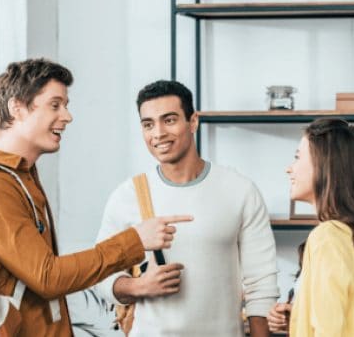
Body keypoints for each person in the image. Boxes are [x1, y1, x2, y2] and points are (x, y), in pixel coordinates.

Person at [0, 58, 191, 337]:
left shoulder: (21, 178)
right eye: (55, 105)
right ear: (17, 108)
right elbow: (48, 277)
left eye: (65, 105)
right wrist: (135, 240)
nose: (67, 116)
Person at [94, 80, 279, 337]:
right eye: (148, 124)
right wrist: (138, 286)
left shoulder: (240, 190)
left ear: (193, 121)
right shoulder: (128, 196)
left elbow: (261, 283)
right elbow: (101, 276)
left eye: (169, 120)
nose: (157, 133)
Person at [267, 118, 354, 336]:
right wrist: (297, 316)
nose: (289, 169)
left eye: (297, 158)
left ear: (323, 164)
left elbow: (329, 329)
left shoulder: (327, 237)